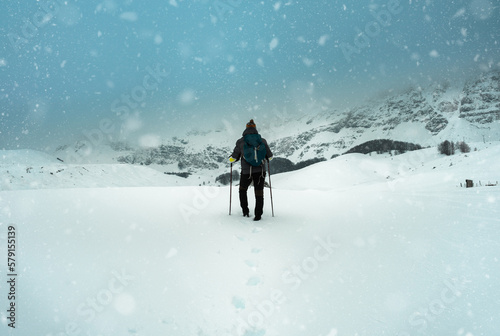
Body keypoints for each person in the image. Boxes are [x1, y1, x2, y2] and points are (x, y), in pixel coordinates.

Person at [229, 119, 273, 221]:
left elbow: (234, 157)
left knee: (242, 190)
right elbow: (270, 157)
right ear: (255, 128)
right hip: (260, 171)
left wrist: (230, 159)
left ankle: (245, 211)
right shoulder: (262, 141)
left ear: (246, 128)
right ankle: (258, 214)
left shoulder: (240, 141)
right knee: (259, 192)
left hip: (246, 172)